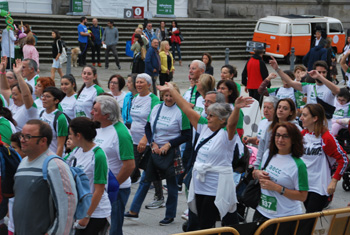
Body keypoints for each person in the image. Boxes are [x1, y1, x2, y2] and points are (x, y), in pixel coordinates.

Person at [158, 82, 253, 229]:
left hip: (215, 187)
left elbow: (232, 124)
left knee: (207, 224)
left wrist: (237, 108)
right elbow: (185, 107)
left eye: (212, 116)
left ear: (222, 120)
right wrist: (172, 89)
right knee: (195, 222)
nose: (207, 117)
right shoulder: (203, 127)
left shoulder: (227, 135)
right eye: (207, 114)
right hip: (199, 185)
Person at [125, 83, 191, 226]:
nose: (168, 98)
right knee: (145, 180)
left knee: (172, 184)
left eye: (171, 95)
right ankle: (134, 211)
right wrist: (152, 143)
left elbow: (187, 135)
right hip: (155, 150)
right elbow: (148, 127)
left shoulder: (181, 112)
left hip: (171, 152)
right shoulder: (156, 108)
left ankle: (170, 214)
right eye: (166, 95)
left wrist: (169, 144)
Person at [13, 119, 77, 234]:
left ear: (43, 140)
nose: (22, 140)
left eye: (27, 137)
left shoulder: (55, 165)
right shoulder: (22, 164)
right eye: (21, 136)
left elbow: (68, 207)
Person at [91, 95, 135, 235]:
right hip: (100, 187)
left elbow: (129, 165)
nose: (92, 112)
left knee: (114, 229)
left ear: (107, 115)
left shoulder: (121, 133)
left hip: (115, 190)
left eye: (95, 110)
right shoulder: (98, 127)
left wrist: (112, 186)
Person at [253, 122, 308, 221]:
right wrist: (258, 173)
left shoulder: (299, 165)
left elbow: (303, 196)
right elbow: (256, 173)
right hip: (261, 212)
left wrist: (277, 188)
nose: (280, 140)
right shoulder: (268, 154)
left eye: (285, 136)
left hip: (285, 217)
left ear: (293, 139)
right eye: (277, 135)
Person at [300, 104, 348, 212]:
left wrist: (334, 181)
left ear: (315, 118)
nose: (301, 118)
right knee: (310, 221)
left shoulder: (326, 137)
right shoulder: (303, 134)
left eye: (304, 115)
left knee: (308, 220)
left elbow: (344, 159)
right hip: (304, 185)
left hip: (319, 187)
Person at [68, 117, 111, 234]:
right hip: (81, 210)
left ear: (78, 135)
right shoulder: (77, 150)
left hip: (95, 214)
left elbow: (99, 190)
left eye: (70, 134)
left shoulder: (98, 155)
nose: (69, 137)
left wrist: (86, 216)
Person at [270, 58, 340, 130]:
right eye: (319, 72)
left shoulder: (330, 87)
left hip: (324, 127)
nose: (321, 74)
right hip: (309, 127)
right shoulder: (309, 86)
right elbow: (290, 82)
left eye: (324, 72)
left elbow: (337, 90)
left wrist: (319, 77)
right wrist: (277, 69)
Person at [129, 73, 160, 185]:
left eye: (141, 82)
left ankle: (158, 194)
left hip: (147, 140)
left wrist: (145, 138)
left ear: (149, 84)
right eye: (137, 82)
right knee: (133, 166)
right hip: (134, 139)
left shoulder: (153, 99)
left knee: (150, 169)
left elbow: (153, 120)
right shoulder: (135, 98)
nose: (138, 84)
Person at [254, 98, 301, 169]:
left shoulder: (296, 128)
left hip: (287, 165)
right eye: (279, 107)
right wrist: (257, 165)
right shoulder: (270, 126)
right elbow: (262, 146)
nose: (281, 110)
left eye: (285, 108)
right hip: (268, 164)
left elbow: (299, 148)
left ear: (291, 112)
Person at [39, 86, 69, 157]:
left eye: (47, 97)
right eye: (43, 96)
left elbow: (60, 145)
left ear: (56, 101)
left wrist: (56, 161)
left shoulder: (60, 118)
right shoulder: (42, 113)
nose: (43, 99)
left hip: (54, 157)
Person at [10, 59, 38, 131]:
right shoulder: (13, 106)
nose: (12, 97)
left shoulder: (28, 110)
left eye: (23, 67)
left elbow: (26, 95)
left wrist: (18, 74)